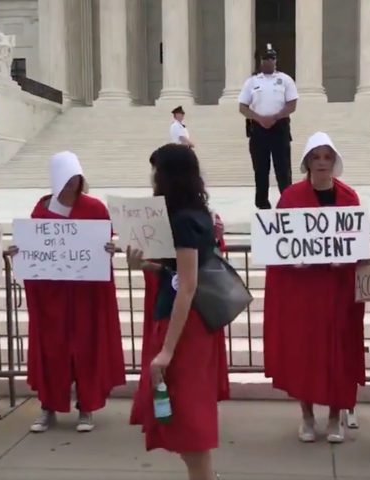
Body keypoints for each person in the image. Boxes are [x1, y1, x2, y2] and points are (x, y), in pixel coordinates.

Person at [129, 144, 229, 480]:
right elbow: (174, 274)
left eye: (157, 173)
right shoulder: (193, 214)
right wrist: (141, 264)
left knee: (186, 417)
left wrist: (168, 350)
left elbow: (187, 284)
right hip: (184, 321)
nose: (153, 180)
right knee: (180, 416)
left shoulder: (184, 220)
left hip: (184, 328)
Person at [9, 151, 125, 433]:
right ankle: (48, 407)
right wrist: (20, 253)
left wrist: (109, 248)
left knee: (86, 348)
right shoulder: (42, 211)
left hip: (86, 295)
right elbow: (36, 247)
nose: (72, 183)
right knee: (52, 349)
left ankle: (86, 407)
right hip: (52, 295)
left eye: (76, 177)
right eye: (67, 178)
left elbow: (104, 243)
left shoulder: (95, 208)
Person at [263, 132, 365, 443]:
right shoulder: (290, 198)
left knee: (338, 354)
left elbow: (357, 247)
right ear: (307, 162)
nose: (322, 163)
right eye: (316, 157)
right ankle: (307, 416)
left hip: (337, 292)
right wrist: (293, 262)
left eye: (327, 157)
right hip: (303, 293)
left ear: (334, 162)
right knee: (303, 353)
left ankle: (335, 418)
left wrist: (344, 261)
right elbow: (277, 247)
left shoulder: (350, 199)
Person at [239, 43, 298, 209]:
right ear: (260, 60)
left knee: (283, 168)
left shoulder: (285, 80)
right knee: (260, 169)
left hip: (279, 127)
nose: (269, 61)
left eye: (272, 58)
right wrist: (259, 118)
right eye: (266, 58)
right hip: (259, 129)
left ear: (276, 60)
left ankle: (288, 202)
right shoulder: (252, 82)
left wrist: (275, 117)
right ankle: (262, 203)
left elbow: (292, 104)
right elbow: (242, 107)